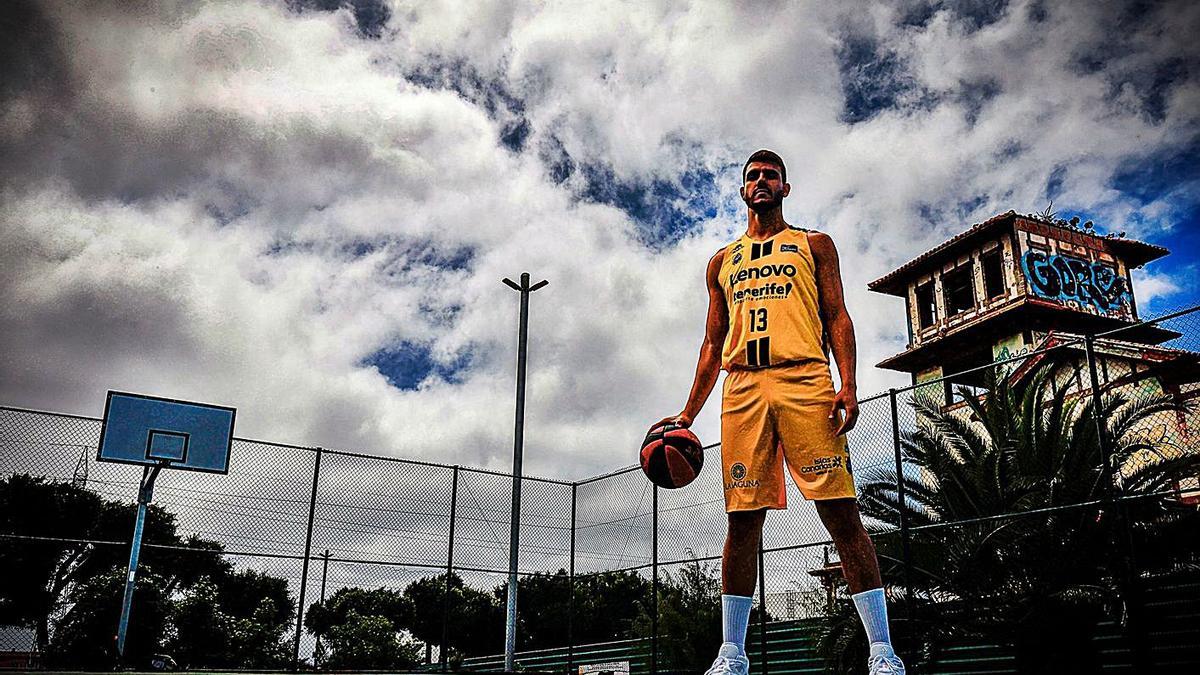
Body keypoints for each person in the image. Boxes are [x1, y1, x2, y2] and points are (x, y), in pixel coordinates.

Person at [656, 150, 905, 675]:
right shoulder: (721, 261)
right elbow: (711, 341)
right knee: (742, 521)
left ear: (785, 188)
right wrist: (688, 413)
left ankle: (882, 650)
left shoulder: (814, 245)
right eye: (753, 176)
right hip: (742, 385)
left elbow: (837, 315)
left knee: (841, 513)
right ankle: (732, 653)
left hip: (805, 379)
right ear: (743, 191)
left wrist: (849, 384)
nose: (761, 181)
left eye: (770, 175)